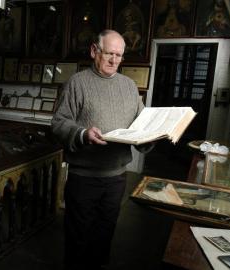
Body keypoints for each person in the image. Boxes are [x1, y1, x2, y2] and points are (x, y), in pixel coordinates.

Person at [51, 29, 152, 270]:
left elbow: (142, 124)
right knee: (78, 239)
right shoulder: (77, 83)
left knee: (105, 236)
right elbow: (59, 122)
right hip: (83, 179)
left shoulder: (129, 86)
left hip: (117, 178)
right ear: (94, 51)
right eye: (109, 53)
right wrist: (83, 134)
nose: (114, 60)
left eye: (119, 55)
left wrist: (155, 134)